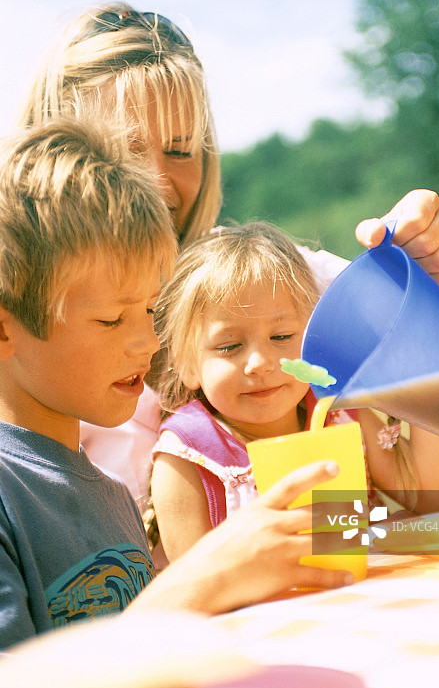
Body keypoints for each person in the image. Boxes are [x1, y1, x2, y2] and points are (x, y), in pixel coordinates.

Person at [20, 1, 439, 516]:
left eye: (181, 150)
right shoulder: (24, 334)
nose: (157, 182)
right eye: (126, 152)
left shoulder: (256, 277)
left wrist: (437, 267)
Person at [0, 119, 353, 650]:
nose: (147, 341)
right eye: (113, 320)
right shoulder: (12, 498)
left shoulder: (110, 495)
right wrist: (200, 582)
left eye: (149, 309)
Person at [149, 222, 439, 562]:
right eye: (229, 347)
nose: (260, 362)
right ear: (187, 365)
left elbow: (438, 503)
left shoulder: (339, 414)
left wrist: (429, 363)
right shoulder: (184, 457)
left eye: (282, 337)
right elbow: (194, 586)